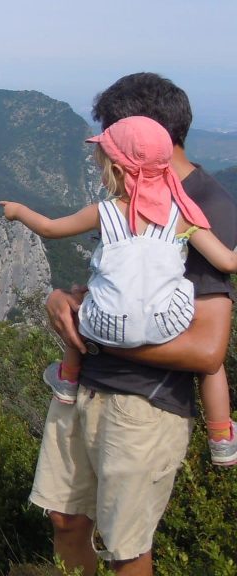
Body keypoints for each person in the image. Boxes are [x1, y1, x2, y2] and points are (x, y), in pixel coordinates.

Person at [28, 73, 237, 576]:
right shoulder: (128, 204)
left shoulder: (205, 209)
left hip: (143, 406)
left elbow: (208, 351)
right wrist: (61, 301)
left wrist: (96, 339)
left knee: (125, 549)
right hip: (86, 389)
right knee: (64, 518)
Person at [0, 115, 237, 467]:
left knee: (78, 302)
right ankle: (221, 438)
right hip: (166, 325)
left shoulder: (104, 212)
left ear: (121, 172)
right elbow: (228, 263)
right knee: (213, 368)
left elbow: (49, 229)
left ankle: (67, 379)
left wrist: (18, 211)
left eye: (103, 166)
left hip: (105, 327)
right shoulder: (184, 216)